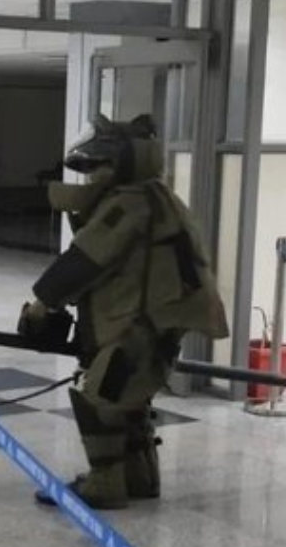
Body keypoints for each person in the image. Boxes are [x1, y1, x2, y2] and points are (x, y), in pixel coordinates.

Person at [18, 114, 230, 510]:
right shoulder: (161, 197)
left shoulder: (128, 204)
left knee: (99, 397)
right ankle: (140, 477)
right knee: (129, 398)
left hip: (142, 325)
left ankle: (105, 484)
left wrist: (40, 307)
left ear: (118, 165)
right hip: (159, 322)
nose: (92, 176)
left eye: (98, 167)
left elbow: (83, 262)